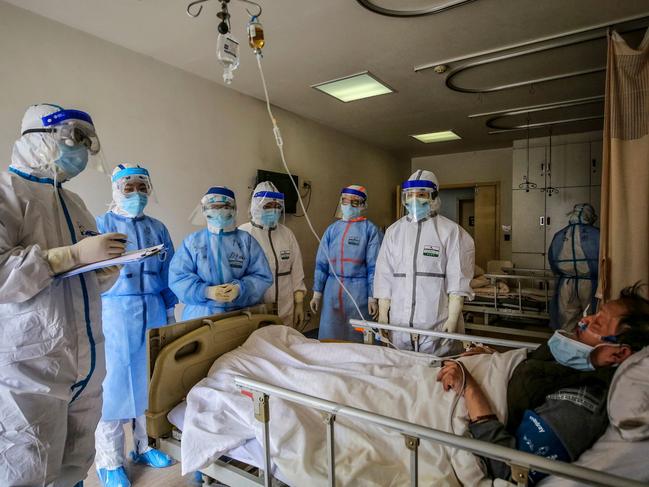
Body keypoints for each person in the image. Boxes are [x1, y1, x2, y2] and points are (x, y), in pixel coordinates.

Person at [0, 104, 126, 486]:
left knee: (75, 465)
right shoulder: (8, 193)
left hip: (85, 364)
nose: (82, 149)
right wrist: (66, 257)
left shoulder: (74, 204)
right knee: (29, 467)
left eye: (88, 141)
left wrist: (105, 270)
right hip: (30, 369)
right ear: (36, 140)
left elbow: (87, 282)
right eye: (75, 138)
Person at [437, 283, 649, 485]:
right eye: (594, 313)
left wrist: (469, 386)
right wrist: (492, 357)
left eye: (598, 323)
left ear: (619, 353)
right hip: (460, 374)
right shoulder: (571, 367)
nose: (585, 320)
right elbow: (532, 371)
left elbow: (512, 470)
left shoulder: (579, 406)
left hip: (452, 397)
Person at [94, 164, 178, 486]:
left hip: (153, 310)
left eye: (143, 187)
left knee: (150, 386)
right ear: (115, 190)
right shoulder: (101, 225)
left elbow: (168, 271)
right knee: (113, 390)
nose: (137, 194)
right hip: (115, 314)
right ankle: (110, 461)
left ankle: (144, 447)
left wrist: (170, 312)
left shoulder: (158, 228)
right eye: (129, 187)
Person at [373, 170, 475, 355]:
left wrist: (452, 318)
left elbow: (458, 279)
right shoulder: (394, 231)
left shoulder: (451, 232)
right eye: (410, 196)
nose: (414, 200)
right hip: (399, 322)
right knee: (401, 368)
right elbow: (384, 274)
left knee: (435, 374)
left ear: (434, 196)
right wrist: (382, 315)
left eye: (421, 195)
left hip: (436, 321)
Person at [169, 186, 273, 320]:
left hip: (239, 314)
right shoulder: (193, 242)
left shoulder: (246, 241)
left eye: (225, 206)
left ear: (234, 209)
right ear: (204, 210)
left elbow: (262, 276)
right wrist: (206, 291)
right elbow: (177, 277)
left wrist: (239, 290)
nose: (219, 212)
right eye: (214, 207)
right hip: (200, 316)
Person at [310, 185, 383, 342]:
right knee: (331, 335)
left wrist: (372, 297)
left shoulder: (370, 230)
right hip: (332, 289)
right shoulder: (331, 230)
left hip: (359, 292)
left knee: (358, 335)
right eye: (345, 201)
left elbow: (374, 267)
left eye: (354, 202)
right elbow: (321, 263)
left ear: (363, 205)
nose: (348, 205)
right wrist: (317, 293)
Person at [239, 181, 307, 327]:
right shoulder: (243, 234)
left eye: (277, 206)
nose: (274, 210)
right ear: (256, 206)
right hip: (255, 310)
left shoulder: (286, 234)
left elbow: (297, 272)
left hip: (285, 309)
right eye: (268, 206)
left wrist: (299, 304)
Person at [548, 203, 600, 331]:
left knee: (566, 319)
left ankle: (567, 347)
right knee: (590, 319)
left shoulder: (560, 235)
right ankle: (587, 347)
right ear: (590, 216)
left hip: (566, 282)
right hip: (589, 283)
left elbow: (552, 259)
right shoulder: (597, 234)